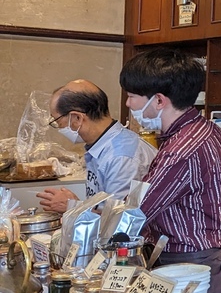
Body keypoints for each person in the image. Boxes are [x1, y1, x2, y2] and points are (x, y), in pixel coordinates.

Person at [120, 47, 221, 293]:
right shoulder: (205, 129)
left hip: (192, 267)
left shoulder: (180, 150)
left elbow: (137, 211)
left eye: (132, 96)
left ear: (159, 101)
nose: (128, 104)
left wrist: (90, 214)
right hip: (205, 261)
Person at [37, 79, 156, 213]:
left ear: (77, 118)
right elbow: (102, 206)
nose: (59, 127)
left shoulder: (121, 157)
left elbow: (119, 219)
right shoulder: (100, 146)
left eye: (58, 121)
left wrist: (73, 207)